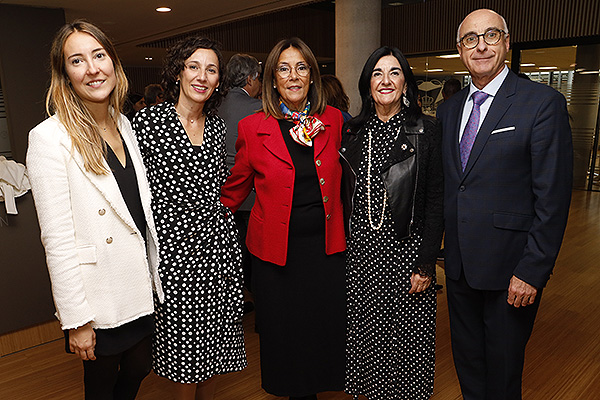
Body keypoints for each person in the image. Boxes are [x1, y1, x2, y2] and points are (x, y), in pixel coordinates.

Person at [436, 9, 572, 400]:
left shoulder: (540, 103)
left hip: (511, 270)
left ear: (507, 42)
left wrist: (532, 269)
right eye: (470, 39)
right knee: (468, 364)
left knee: (503, 370)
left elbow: (553, 196)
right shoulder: (448, 109)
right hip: (459, 267)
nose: (480, 46)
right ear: (459, 49)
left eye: (490, 36)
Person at [26, 20, 163, 399]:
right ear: (65, 75)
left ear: (114, 63)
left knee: (139, 368)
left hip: (137, 284)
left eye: (99, 55)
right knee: (101, 387)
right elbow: (57, 240)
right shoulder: (48, 139)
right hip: (98, 294)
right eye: (77, 60)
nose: (92, 69)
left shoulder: (124, 124)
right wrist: (76, 319)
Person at [221, 37, 346, 400]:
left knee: (322, 330)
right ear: (273, 79)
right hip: (275, 254)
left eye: (301, 67)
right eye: (284, 69)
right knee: (287, 335)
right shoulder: (252, 127)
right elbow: (236, 188)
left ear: (312, 76)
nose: (293, 76)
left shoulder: (333, 121)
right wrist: (202, 219)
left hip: (325, 251)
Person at [132, 37, 246, 400]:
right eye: (193, 66)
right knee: (184, 351)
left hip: (219, 251)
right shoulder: (149, 122)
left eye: (211, 69)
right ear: (178, 71)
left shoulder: (216, 128)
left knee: (216, 345)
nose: (202, 76)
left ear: (218, 80)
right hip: (174, 256)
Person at [340, 46, 443, 400]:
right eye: (377, 74)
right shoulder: (352, 133)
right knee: (368, 345)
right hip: (362, 260)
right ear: (367, 83)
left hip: (406, 257)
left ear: (406, 83)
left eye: (394, 73)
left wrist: (427, 263)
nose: (386, 81)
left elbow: (434, 202)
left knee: (405, 349)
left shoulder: (425, 131)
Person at [218, 54, 262, 301]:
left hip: (221, 192)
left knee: (231, 252)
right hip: (250, 192)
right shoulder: (259, 109)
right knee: (252, 251)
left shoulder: (213, 104)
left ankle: (234, 295)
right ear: (250, 79)